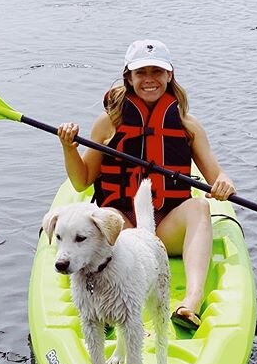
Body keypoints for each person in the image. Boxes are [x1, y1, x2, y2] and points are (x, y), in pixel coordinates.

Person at [56, 39, 235, 331]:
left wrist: (225, 183)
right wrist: (68, 147)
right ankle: (106, 308)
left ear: (169, 75)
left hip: (167, 228)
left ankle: (190, 303)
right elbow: (82, 181)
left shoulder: (188, 125)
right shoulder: (108, 122)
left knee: (200, 206)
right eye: (141, 73)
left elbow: (217, 176)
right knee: (107, 219)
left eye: (157, 71)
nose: (149, 80)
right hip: (125, 229)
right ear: (128, 77)